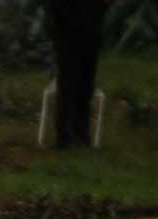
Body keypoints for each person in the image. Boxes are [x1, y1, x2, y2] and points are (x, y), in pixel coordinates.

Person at [47, 0, 112, 148]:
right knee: (68, 83)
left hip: (91, 27)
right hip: (68, 29)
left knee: (86, 84)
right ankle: (65, 136)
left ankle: (81, 134)